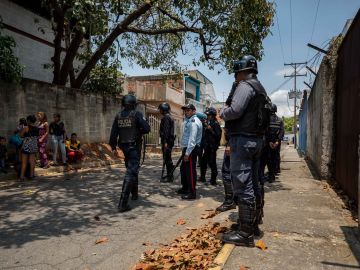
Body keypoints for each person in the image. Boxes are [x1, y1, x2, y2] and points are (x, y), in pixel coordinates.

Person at [220, 55, 271, 247]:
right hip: (256, 141)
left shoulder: (245, 85)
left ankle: (245, 233)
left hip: (243, 140)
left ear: (241, 70)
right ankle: (252, 224)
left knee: (243, 184)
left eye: (236, 72)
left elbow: (235, 110)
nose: (235, 75)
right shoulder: (260, 88)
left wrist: (222, 112)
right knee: (255, 184)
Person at [109, 94, 150, 212]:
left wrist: (113, 147)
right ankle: (122, 203)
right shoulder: (136, 114)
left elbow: (113, 133)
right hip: (133, 147)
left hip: (124, 147)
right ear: (133, 104)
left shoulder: (118, 116)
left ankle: (135, 194)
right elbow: (147, 129)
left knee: (132, 168)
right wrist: (140, 127)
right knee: (131, 171)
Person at [178, 104, 202, 200]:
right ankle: (185, 188)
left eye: (188, 110)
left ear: (193, 111)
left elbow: (192, 139)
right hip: (187, 148)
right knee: (184, 169)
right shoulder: (188, 120)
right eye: (185, 110)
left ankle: (192, 192)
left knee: (190, 171)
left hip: (191, 149)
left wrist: (187, 153)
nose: (186, 112)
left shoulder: (194, 121)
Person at [260, 104, 284, 183]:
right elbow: (281, 132)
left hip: (267, 144)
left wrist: (269, 141)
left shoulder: (266, 120)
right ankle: (272, 176)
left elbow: (265, 132)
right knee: (274, 159)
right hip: (276, 144)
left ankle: (262, 177)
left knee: (264, 160)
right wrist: (277, 141)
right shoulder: (280, 120)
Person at [199, 107, 222, 185]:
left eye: (209, 115)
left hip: (212, 147)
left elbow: (218, 135)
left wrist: (210, 129)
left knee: (212, 163)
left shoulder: (216, 124)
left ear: (212, 115)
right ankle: (202, 177)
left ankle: (213, 180)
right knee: (203, 162)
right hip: (207, 147)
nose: (207, 116)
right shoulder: (209, 123)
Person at [216, 129, 236, 212]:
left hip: (235, 143)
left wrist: (230, 144)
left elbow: (237, 126)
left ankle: (229, 201)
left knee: (227, 173)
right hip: (254, 143)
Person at [158, 102, 175, 183]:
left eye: (161, 109)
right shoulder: (170, 117)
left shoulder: (166, 118)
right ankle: (170, 175)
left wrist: (165, 142)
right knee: (168, 159)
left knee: (167, 159)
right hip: (169, 141)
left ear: (164, 109)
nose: (160, 111)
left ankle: (170, 176)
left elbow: (166, 131)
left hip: (167, 142)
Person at [19, 115, 39, 180]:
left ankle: (22, 176)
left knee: (24, 162)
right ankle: (31, 175)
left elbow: (21, 136)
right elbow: (37, 137)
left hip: (26, 146)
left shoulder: (26, 128)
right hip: (33, 146)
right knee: (32, 161)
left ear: (29, 121)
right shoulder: (37, 128)